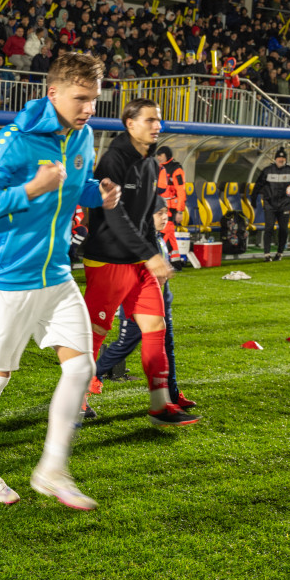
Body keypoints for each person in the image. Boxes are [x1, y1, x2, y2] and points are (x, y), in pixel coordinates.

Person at [0, 53, 121, 510]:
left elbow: (75, 186)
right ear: (53, 93)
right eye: (81, 98)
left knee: (81, 367)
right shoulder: (10, 143)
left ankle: (52, 468)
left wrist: (99, 193)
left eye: (94, 99)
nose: (89, 107)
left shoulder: (84, 136)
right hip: (10, 281)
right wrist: (31, 189)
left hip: (56, 275)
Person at [83, 98, 200, 427]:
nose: (157, 126)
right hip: (108, 258)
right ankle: (78, 396)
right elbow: (115, 216)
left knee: (155, 327)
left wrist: (155, 258)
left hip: (140, 260)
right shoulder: (112, 160)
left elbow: (146, 219)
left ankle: (160, 404)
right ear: (130, 123)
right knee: (96, 332)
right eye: (150, 120)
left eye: (158, 120)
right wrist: (150, 254)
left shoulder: (151, 164)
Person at [94, 206, 197, 410]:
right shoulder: (139, 243)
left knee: (168, 351)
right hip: (139, 307)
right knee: (122, 347)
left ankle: (173, 396)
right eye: (158, 213)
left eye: (166, 213)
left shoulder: (159, 238)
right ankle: (89, 379)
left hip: (162, 306)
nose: (164, 217)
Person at [251, 147, 290, 261]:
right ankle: (267, 254)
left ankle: (280, 253)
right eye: (279, 157)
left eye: (283, 158)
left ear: (286, 159)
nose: (281, 159)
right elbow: (258, 184)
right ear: (275, 159)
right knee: (269, 228)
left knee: (283, 229)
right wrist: (253, 199)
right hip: (269, 204)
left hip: (285, 205)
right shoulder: (267, 170)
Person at [156, 145, 186, 267]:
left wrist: (179, 211)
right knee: (171, 234)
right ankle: (176, 261)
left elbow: (181, 191)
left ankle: (158, 258)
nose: (158, 157)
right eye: (157, 155)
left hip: (171, 207)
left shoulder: (176, 169)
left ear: (166, 155)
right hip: (163, 206)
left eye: (161, 155)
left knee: (164, 232)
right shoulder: (161, 168)